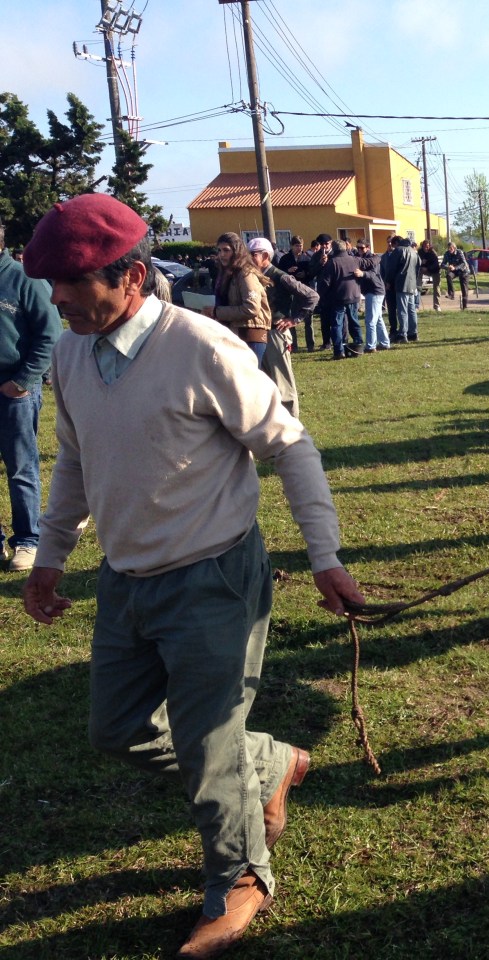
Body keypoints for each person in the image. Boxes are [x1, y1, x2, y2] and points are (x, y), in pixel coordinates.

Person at [19, 193, 366, 959]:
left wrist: (326, 556)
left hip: (214, 577)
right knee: (115, 731)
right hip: (126, 578)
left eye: (73, 281)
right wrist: (50, 557)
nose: (59, 298)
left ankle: (241, 876)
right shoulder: (74, 350)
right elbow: (75, 459)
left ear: (134, 277)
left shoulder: (205, 348)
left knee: (209, 753)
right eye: (50, 282)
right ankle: (270, 760)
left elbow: (290, 446)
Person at [0, 218, 60, 572]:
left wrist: (22, 380)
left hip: (16, 389)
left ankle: (28, 540)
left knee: (21, 467)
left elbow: (50, 334)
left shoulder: (24, 278)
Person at [248, 237, 318, 418]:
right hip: (260, 332)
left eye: (252, 254)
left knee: (283, 383)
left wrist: (294, 319)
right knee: (265, 380)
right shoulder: (253, 276)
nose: (248, 258)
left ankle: (292, 425)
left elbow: (311, 296)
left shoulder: (280, 276)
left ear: (265, 256)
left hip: (276, 334)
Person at [203, 233, 272, 365]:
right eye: (219, 250)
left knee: (248, 381)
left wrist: (217, 312)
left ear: (237, 251)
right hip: (234, 332)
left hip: (251, 334)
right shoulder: (227, 274)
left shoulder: (245, 274)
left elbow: (251, 308)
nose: (221, 254)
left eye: (226, 250)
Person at [317, 240, 364, 359]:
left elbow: (325, 283)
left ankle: (339, 351)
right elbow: (370, 262)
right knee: (354, 321)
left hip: (338, 298)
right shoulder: (354, 259)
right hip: (353, 296)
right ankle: (358, 346)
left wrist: (320, 295)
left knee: (337, 325)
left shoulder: (332, 262)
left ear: (334, 249)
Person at [352, 239, 390, 352]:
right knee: (377, 319)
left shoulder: (371, 258)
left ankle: (371, 346)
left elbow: (373, 274)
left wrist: (362, 273)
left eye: (362, 248)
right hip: (372, 290)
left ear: (367, 247)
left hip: (375, 290)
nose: (359, 250)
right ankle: (384, 343)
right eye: (358, 247)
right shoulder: (360, 257)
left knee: (370, 320)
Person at [277, 237, 313, 351]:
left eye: (301, 245)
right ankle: (293, 345)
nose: (299, 248)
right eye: (297, 246)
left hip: (304, 289)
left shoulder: (307, 257)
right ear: (292, 246)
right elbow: (279, 274)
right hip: (290, 291)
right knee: (291, 317)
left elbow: (311, 273)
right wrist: (288, 271)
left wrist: (305, 274)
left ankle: (310, 345)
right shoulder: (285, 258)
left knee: (308, 318)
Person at [383, 236, 421, 339]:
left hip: (401, 284)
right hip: (412, 284)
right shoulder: (413, 251)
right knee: (411, 309)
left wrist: (388, 281)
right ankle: (413, 333)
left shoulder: (398, 250)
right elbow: (418, 267)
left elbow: (391, 268)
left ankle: (402, 333)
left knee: (402, 310)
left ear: (396, 243)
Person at [442, 242, 470, 309]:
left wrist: (455, 267)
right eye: (448, 248)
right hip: (454, 271)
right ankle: (451, 294)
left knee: (464, 287)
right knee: (448, 275)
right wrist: (448, 267)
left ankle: (465, 306)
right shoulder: (447, 254)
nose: (449, 250)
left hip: (464, 270)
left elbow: (463, 263)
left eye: (451, 248)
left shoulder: (459, 252)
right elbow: (442, 264)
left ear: (454, 248)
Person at [420, 241, 441, 312]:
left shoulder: (433, 253)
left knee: (436, 287)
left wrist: (427, 268)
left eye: (428, 246)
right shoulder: (420, 252)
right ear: (422, 246)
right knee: (418, 272)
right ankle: (418, 285)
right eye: (425, 246)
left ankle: (437, 306)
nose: (426, 247)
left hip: (434, 270)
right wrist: (422, 265)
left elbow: (435, 265)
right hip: (424, 269)